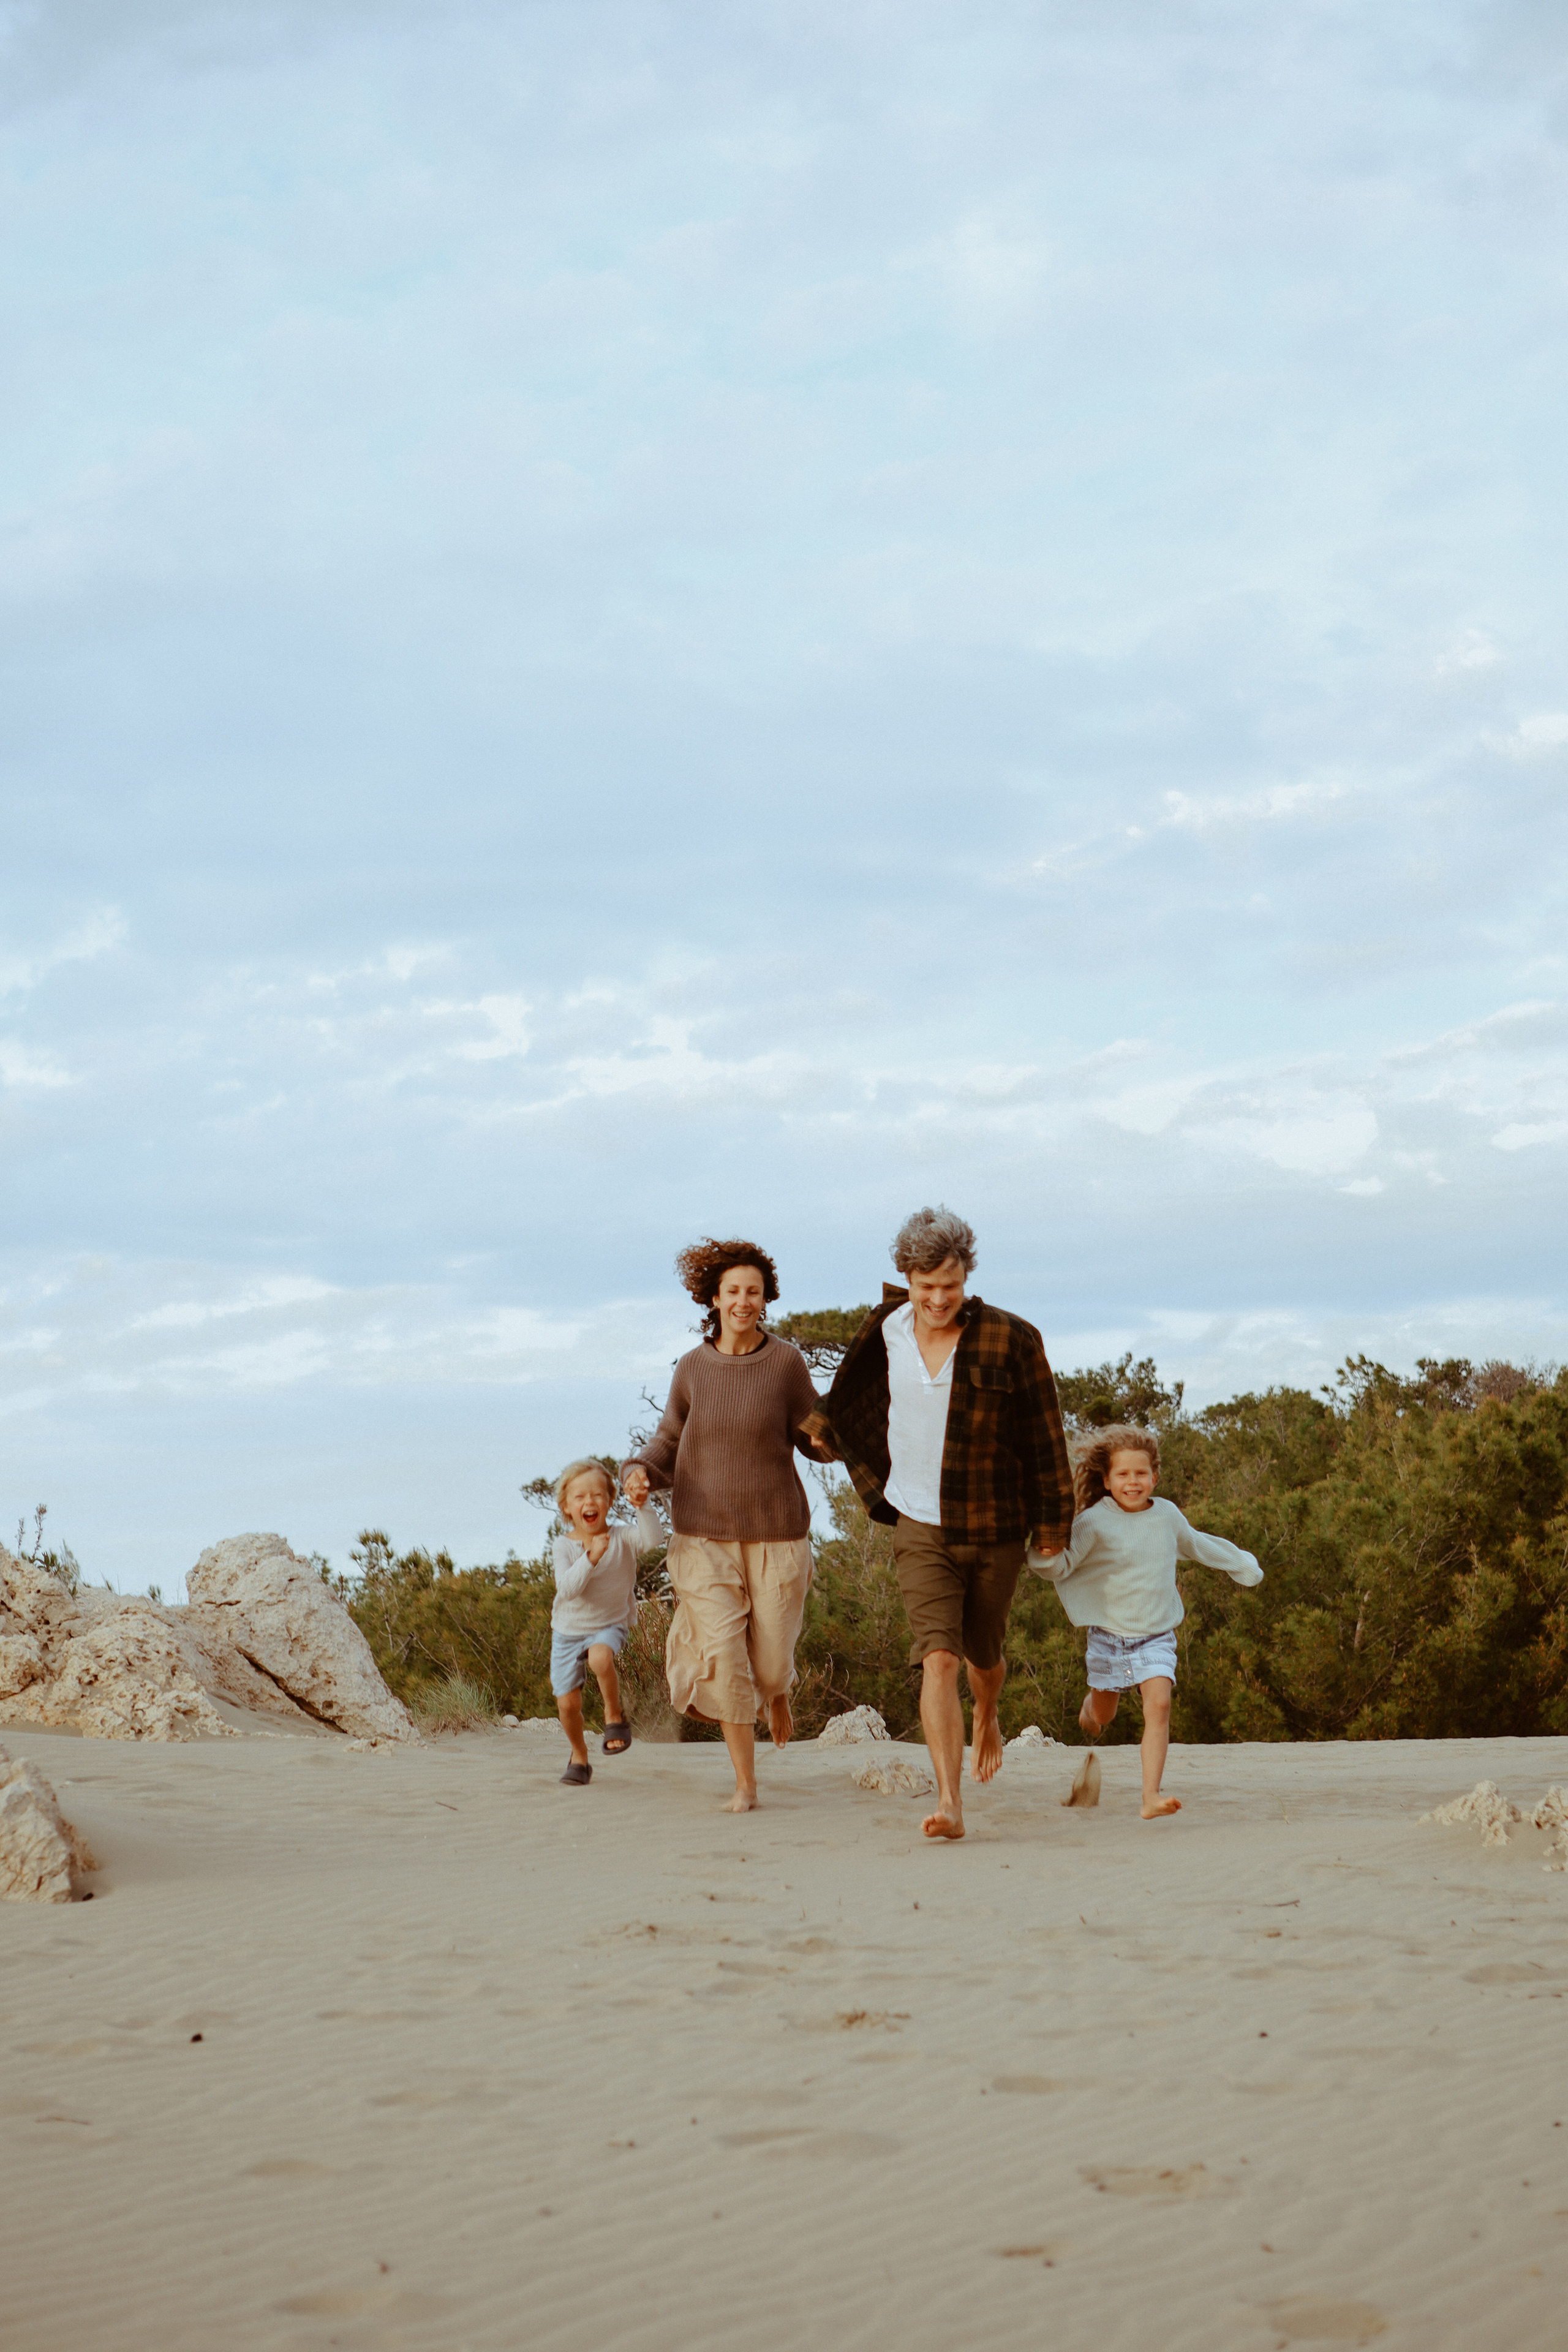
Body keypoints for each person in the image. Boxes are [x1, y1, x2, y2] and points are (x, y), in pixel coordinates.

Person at [815, 1205, 1074, 1842]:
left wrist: (1053, 1524)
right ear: (906, 1277)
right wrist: (823, 1434)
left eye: (948, 1287)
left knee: (983, 1658)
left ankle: (989, 1711)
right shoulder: (886, 1328)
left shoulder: (1012, 1338)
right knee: (938, 1659)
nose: (936, 1299)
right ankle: (950, 1801)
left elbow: (1045, 1437)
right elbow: (849, 1394)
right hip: (918, 1523)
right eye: (925, 1286)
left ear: (966, 1278)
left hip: (992, 1524)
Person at [622, 1238, 827, 1814]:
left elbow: (811, 1437)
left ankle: (778, 1690)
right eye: (733, 1291)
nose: (744, 1301)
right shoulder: (692, 1368)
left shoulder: (785, 1363)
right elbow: (668, 1440)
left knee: (767, 1663)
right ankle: (746, 1784)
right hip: (703, 1537)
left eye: (754, 1292)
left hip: (777, 1534)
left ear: (766, 1300)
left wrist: (832, 1438)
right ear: (713, 1298)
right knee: (726, 1659)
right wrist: (640, 1470)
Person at [1027, 1424, 1262, 1817]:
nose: (1132, 1482)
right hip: (1109, 1638)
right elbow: (1063, 1565)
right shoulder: (1094, 1522)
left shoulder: (1167, 1515)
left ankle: (1150, 1795)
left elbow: (1197, 1544)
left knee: (1160, 1706)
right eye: (1123, 1474)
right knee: (1103, 1714)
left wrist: (1241, 1564)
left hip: (1156, 1636)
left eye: (1141, 1474)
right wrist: (1043, 1554)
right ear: (1107, 1479)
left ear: (1155, 1476)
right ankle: (1090, 1710)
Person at [549, 1458, 663, 1788]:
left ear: (610, 1501)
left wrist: (643, 1506)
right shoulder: (564, 1547)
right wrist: (591, 1557)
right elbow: (568, 1590)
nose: (590, 1502)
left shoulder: (623, 1537)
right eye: (580, 1497)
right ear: (567, 1507)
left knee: (601, 1658)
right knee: (567, 1705)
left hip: (610, 1624)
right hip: (568, 1631)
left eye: (598, 1495)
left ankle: (615, 1715)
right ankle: (579, 1756)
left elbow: (653, 1540)